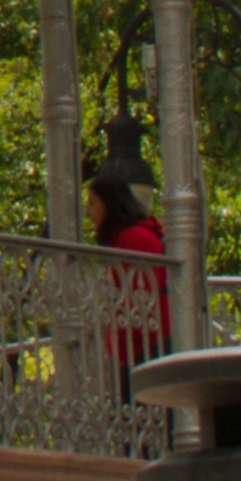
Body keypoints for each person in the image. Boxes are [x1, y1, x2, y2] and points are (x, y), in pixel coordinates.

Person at [88, 165, 167, 388]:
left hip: (146, 345)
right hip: (142, 345)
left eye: (93, 203)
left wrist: (120, 342)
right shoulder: (132, 237)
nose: (89, 213)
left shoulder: (133, 239)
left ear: (109, 203)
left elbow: (135, 301)